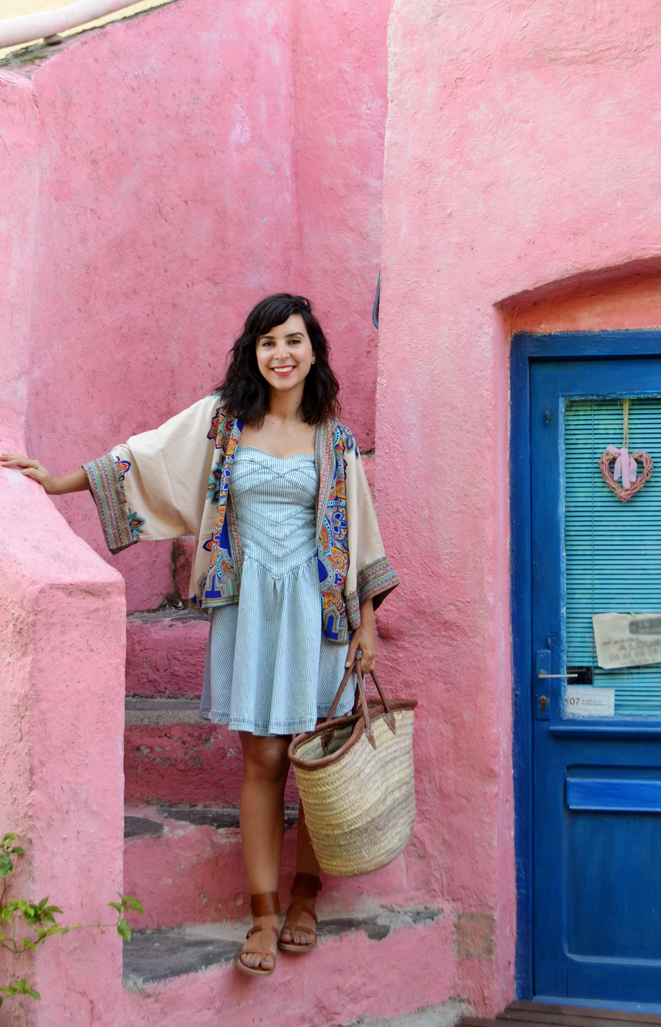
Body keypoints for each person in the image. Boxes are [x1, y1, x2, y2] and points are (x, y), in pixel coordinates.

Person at [0, 293, 398, 977]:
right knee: (263, 760)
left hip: (319, 614)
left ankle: (307, 895)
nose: (281, 354)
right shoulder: (223, 423)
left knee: (315, 760)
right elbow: (147, 458)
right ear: (254, 351)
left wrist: (366, 625)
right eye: (269, 341)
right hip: (248, 613)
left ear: (313, 351)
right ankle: (265, 913)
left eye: (294, 341)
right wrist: (58, 480)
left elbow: (362, 534)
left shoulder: (333, 440)